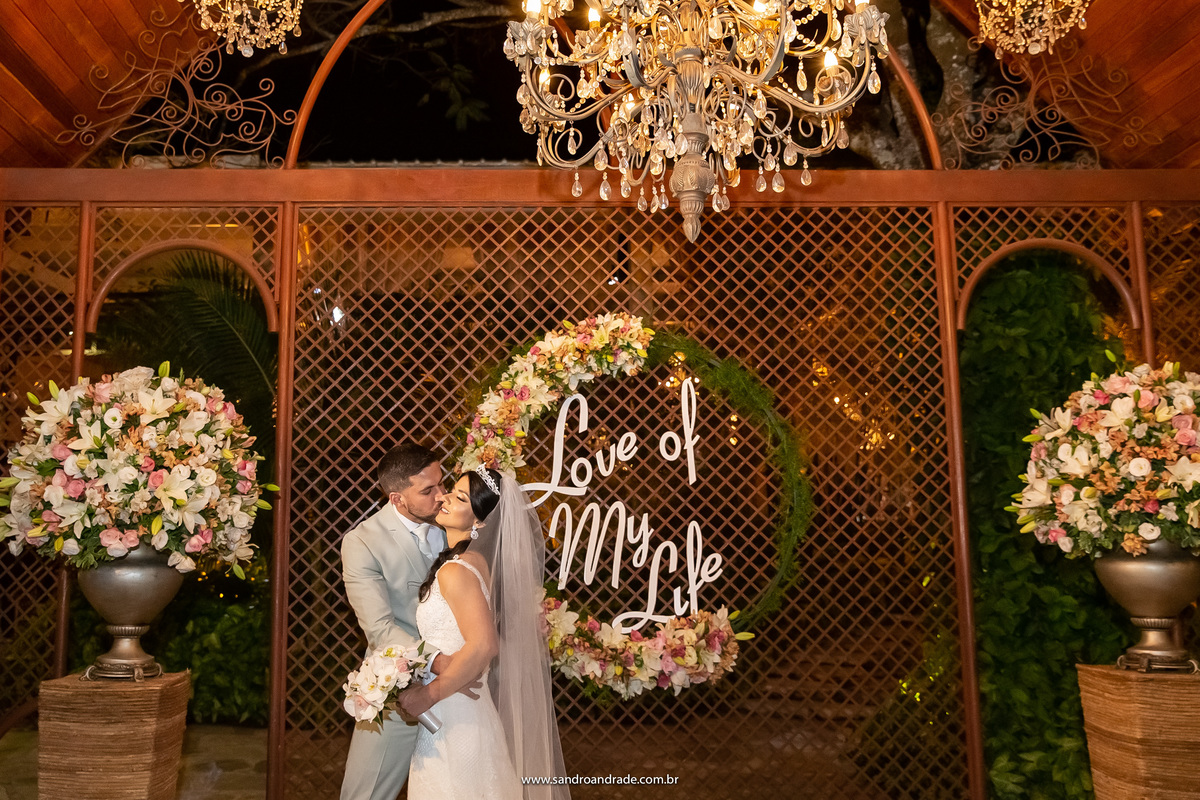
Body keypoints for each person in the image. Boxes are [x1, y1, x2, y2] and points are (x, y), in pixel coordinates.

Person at [398, 466, 570, 800]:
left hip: (455, 717)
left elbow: (484, 644)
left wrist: (428, 695)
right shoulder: (475, 563)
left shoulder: (456, 571)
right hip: (462, 712)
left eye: (460, 498)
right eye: (453, 491)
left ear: (480, 522)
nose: (445, 498)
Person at [340, 443, 476, 800]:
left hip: (464, 689)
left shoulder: (456, 528)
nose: (442, 496)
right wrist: (440, 662)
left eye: (442, 484)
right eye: (428, 490)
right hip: (398, 691)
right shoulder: (363, 543)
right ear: (397, 498)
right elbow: (379, 628)